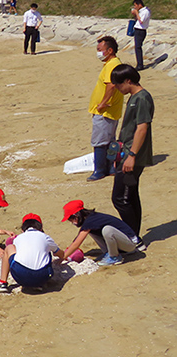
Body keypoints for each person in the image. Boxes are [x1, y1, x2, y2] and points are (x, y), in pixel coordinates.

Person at [110, 63, 153, 248]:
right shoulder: (134, 97)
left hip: (132, 154)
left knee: (120, 198)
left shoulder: (142, 98)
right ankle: (134, 235)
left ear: (128, 81)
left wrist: (132, 155)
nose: (118, 89)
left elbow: (142, 128)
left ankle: (134, 238)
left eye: (119, 85)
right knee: (131, 195)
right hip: (126, 152)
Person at [0, 214, 66, 293]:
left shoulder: (19, 238)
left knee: (9, 248)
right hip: (43, 277)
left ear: (23, 229)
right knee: (47, 251)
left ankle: (2, 282)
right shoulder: (45, 237)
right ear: (41, 227)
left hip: (21, 276)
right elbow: (59, 254)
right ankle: (37, 284)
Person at [86, 35, 124, 182]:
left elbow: (111, 85)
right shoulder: (111, 63)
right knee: (109, 140)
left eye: (100, 50)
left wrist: (103, 103)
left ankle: (100, 169)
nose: (98, 53)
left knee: (100, 141)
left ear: (109, 50)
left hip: (105, 111)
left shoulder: (112, 64)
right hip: (107, 110)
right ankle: (110, 167)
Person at [61, 200, 139, 266]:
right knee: (92, 231)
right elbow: (77, 239)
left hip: (130, 244)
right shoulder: (89, 220)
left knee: (107, 230)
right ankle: (108, 252)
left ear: (76, 216)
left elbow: (76, 244)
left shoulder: (91, 221)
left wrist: (63, 257)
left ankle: (114, 257)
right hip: (123, 243)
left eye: (70, 219)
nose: (72, 222)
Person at [130, 0, 150, 70]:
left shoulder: (145, 11)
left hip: (141, 31)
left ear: (139, 5)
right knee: (137, 47)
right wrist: (135, 14)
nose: (135, 7)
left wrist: (136, 13)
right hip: (138, 30)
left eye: (135, 5)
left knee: (138, 47)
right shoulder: (142, 11)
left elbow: (141, 21)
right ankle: (139, 63)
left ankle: (140, 65)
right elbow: (138, 20)